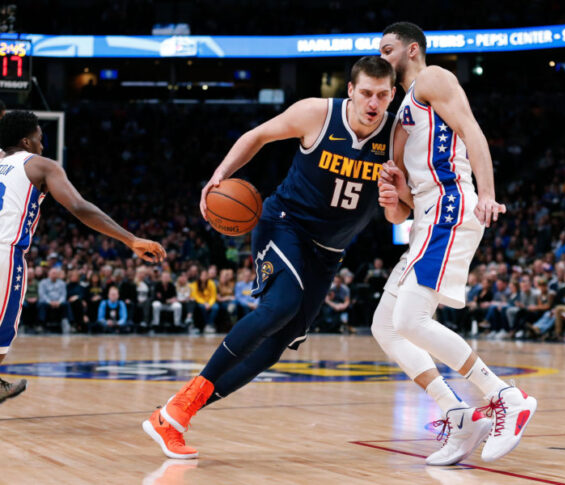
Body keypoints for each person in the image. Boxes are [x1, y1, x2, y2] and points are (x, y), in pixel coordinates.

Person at [142, 56, 399, 459]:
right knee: (282, 304)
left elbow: (397, 213)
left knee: (275, 349)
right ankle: (178, 407)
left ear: (392, 95)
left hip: (330, 252)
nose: (373, 102)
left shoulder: (397, 134)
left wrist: (395, 199)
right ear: (350, 90)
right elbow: (257, 135)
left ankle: (174, 414)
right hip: (285, 223)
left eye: (382, 95)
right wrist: (219, 175)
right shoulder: (317, 113)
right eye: (366, 92)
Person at [372, 22, 536, 466]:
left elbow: (473, 132)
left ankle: (505, 395)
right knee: (385, 326)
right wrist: (394, 195)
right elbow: (398, 213)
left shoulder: (432, 78)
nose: (382, 57)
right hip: (425, 217)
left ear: (412, 49)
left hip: (450, 205)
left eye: (387, 50)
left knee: (410, 317)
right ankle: (459, 416)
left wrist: (487, 192)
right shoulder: (400, 114)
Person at [0, 110, 165, 404]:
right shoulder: (40, 165)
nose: (42, 145)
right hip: (5, 252)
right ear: (26, 141)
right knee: (2, 336)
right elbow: (79, 206)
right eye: (39, 138)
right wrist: (130, 239)